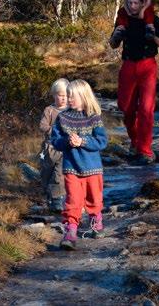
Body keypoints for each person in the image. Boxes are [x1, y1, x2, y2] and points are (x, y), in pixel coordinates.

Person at [110, 0, 159, 165]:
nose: (133, 6)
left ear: (143, 3)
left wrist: (155, 39)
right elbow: (114, 44)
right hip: (128, 66)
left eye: (136, 3)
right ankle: (136, 142)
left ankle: (145, 150)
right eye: (130, 3)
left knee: (146, 109)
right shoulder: (123, 20)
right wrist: (115, 36)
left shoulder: (153, 20)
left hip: (147, 66)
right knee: (126, 108)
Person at [50, 79, 108, 250]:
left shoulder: (93, 118)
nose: (68, 99)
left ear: (83, 97)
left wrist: (83, 141)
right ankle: (70, 232)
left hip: (93, 168)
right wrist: (67, 141)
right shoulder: (62, 117)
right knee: (73, 200)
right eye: (67, 95)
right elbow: (55, 141)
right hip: (71, 168)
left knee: (94, 198)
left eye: (72, 96)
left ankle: (95, 222)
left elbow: (102, 141)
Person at [39, 78, 69, 212]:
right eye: (60, 95)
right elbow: (43, 126)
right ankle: (49, 196)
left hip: (64, 148)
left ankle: (58, 200)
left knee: (59, 174)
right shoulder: (49, 110)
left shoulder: (70, 110)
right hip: (49, 148)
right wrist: (54, 130)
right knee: (46, 173)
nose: (63, 98)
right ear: (54, 95)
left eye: (66, 95)